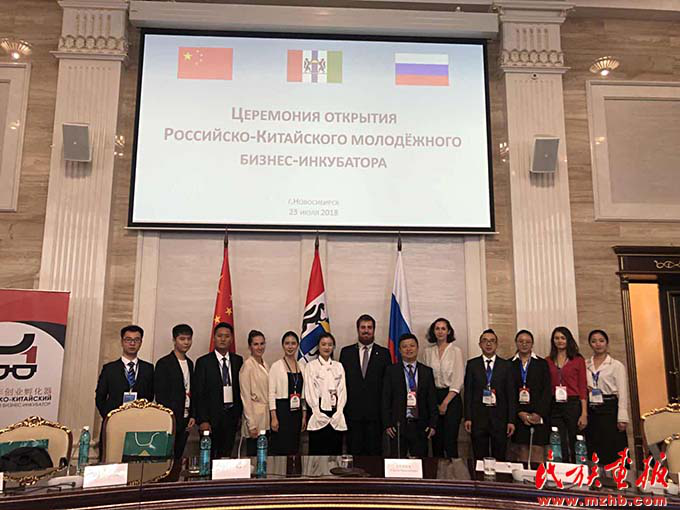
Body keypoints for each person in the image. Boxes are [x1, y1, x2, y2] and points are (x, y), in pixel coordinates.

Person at [339, 314, 392, 455]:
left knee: (374, 454)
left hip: (375, 416)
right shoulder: (346, 353)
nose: (366, 330)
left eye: (369, 327)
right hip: (352, 414)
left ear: (374, 330)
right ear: (358, 329)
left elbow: (387, 387)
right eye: (363, 327)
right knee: (353, 452)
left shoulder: (384, 354)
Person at [463, 329, 516, 461]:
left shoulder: (506, 365)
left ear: (496, 344)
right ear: (480, 344)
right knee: (479, 457)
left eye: (492, 341)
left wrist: (511, 420)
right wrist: (468, 417)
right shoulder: (472, 364)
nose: (488, 344)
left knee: (500, 457)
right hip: (478, 418)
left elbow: (511, 395)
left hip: (500, 419)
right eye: (485, 341)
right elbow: (468, 393)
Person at [194, 322, 243, 459]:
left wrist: (239, 416)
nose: (223, 339)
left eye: (227, 336)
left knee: (226, 458)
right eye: (220, 336)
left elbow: (241, 390)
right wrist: (203, 420)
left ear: (231, 339)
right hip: (210, 420)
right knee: (208, 458)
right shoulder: (203, 362)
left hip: (231, 418)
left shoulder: (238, 361)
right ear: (214, 338)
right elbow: (199, 394)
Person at [382, 333, 437, 458]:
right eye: (404, 346)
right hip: (398, 425)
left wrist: (433, 424)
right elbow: (385, 399)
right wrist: (387, 424)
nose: (408, 349)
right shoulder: (391, 371)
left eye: (412, 346)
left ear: (417, 348)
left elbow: (432, 400)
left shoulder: (426, 371)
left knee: (420, 462)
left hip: (421, 425)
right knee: (397, 462)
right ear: (399, 350)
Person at [421, 318, 464, 458]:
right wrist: (433, 403)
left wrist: (445, 403)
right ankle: (437, 470)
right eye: (437, 328)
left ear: (449, 331)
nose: (440, 331)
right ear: (433, 331)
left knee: (450, 441)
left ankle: (453, 470)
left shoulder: (456, 351)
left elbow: (458, 379)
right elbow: (425, 378)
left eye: (443, 328)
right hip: (433, 397)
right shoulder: (427, 352)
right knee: (436, 441)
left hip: (451, 398)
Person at [585, 329, 629, 465]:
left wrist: (622, 417)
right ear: (590, 344)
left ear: (607, 343)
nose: (598, 344)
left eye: (601, 341)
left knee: (613, 448)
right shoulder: (586, 364)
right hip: (592, 409)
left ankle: (618, 476)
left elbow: (622, 393)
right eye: (594, 341)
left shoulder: (616, 365)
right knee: (595, 448)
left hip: (610, 408)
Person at [546, 326, 587, 463]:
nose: (560, 341)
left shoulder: (578, 360)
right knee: (558, 439)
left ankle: (578, 468)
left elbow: (582, 387)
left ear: (568, 340)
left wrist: (584, 413)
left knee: (575, 439)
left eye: (563, 338)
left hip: (573, 403)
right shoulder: (548, 360)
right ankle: (561, 467)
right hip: (555, 404)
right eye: (556, 338)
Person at [154, 324, 196, 459]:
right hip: (170, 417)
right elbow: (160, 394)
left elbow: (192, 390)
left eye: (189, 339)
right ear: (174, 340)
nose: (186, 342)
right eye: (182, 339)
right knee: (166, 456)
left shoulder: (190, 363)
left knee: (179, 454)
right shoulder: (164, 363)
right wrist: (169, 415)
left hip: (186, 417)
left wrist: (192, 415)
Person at [509, 330, 551, 463]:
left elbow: (547, 391)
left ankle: (537, 476)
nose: (524, 344)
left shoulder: (542, 363)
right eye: (521, 341)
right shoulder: (509, 364)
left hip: (538, 414)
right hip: (519, 414)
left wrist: (539, 413)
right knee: (521, 450)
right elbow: (508, 393)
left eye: (527, 342)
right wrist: (519, 412)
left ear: (532, 344)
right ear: (516, 343)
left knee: (537, 450)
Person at [95, 325, 154, 419]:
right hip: (114, 420)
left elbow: (150, 396)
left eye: (136, 340)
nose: (132, 343)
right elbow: (100, 397)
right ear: (122, 342)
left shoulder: (148, 368)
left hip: (139, 420)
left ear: (141, 342)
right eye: (128, 339)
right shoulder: (109, 369)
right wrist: (109, 417)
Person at [304, 332, 347, 455]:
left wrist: (339, 411)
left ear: (333, 347)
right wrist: (316, 410)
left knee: (334, 453)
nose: (326, 347)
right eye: (323, 344)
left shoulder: (338, 366)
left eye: (330, 344)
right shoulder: (311, 366)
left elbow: (342, 390)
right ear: (318, 347)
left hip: (335, 414)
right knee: (317, 453)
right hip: (318, 413)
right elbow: (310, 390)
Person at [269, 331, 307, 455]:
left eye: (293, 343)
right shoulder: (276, 366)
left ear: (297, 345)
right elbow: (271, 393)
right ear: (283, 345)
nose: (290, 346)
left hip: (297, 412)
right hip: (282, 411)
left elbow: (304, 394)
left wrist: (304, 416)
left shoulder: (302, 366)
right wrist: (274, 417)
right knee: (281, 447)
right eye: (287, 343)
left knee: (294, 447)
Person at [239, 330, 270, 457]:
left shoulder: (265, 364)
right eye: (256, 344)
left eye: (262, 344)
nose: (259, 347)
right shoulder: (247, 366)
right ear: (250, 346)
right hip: (254, 419)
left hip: (266, 417)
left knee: (264, 455)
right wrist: (251, 424)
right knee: (254, 456)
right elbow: (245, 397)